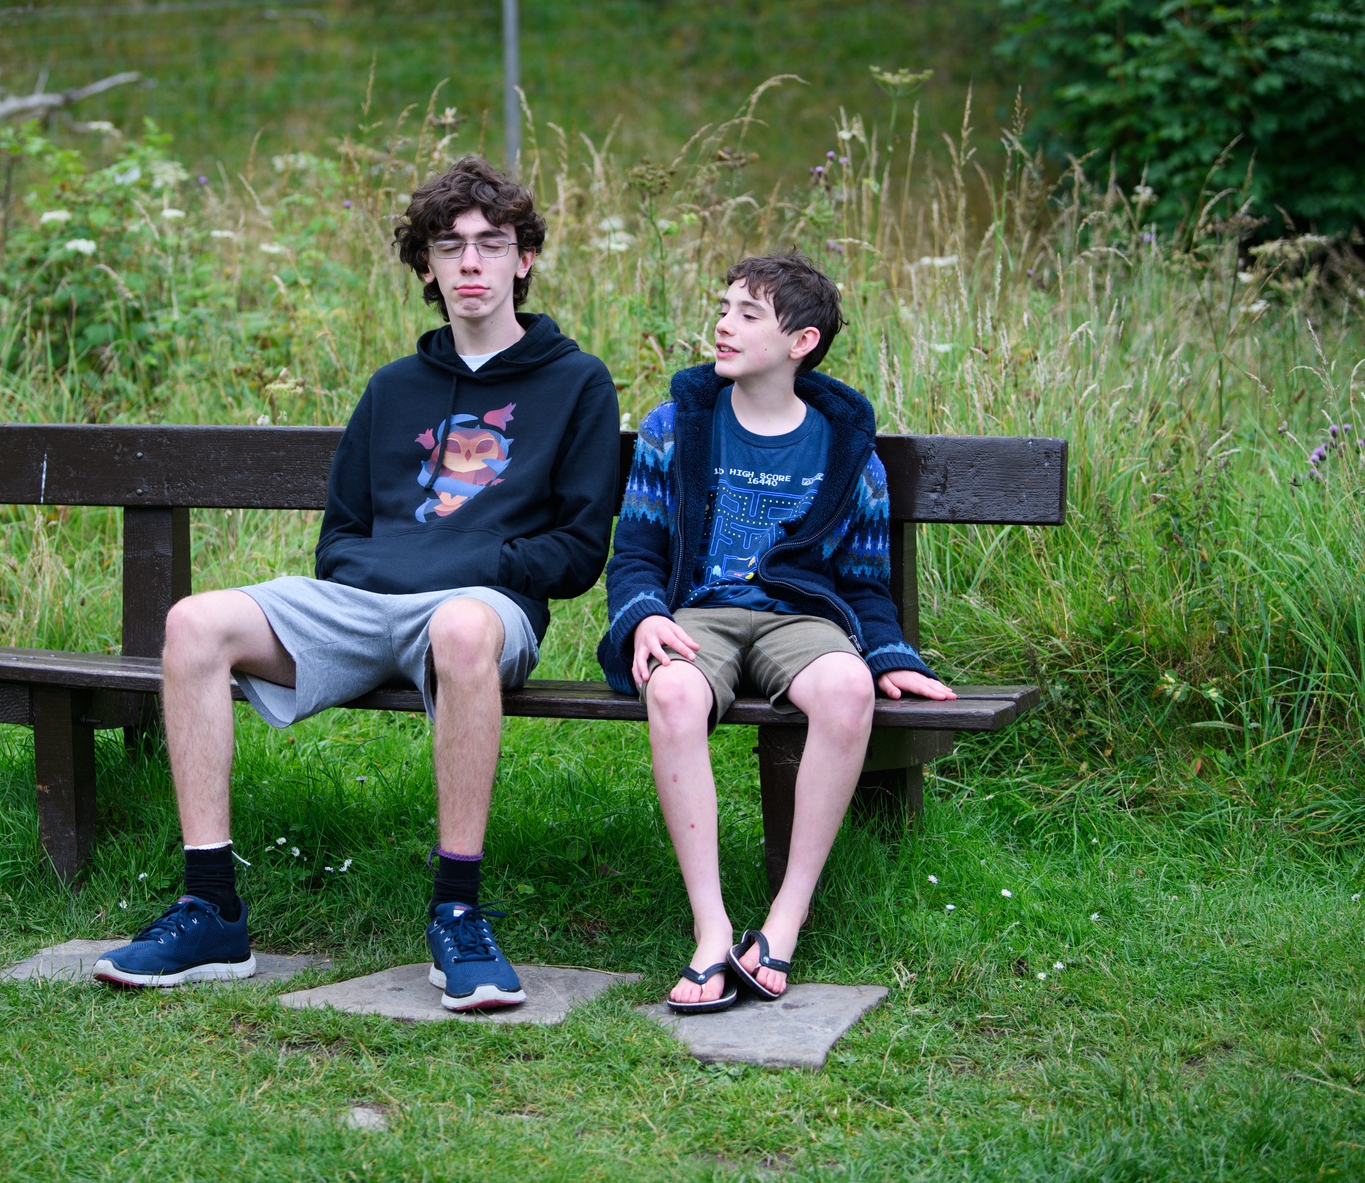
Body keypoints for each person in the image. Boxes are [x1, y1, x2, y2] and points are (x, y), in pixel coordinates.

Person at [95, 157, 624, 1011]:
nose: (471, 262)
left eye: (492, 243)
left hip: (482, 612)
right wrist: (396, 575)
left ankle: (457, 913)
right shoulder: (394, 388)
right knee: (194, 621)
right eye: (449, 246)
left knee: (458, 627)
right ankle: (210, 908)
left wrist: (462, 565)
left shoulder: (577, 382)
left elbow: (576, 551)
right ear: (427, 268)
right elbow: (340, 539)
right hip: (365, 608)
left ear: (524, 258)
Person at [598, 253, 956, 1013]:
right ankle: (711, 929)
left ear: (802, 341)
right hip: (700, 614)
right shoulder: (677, 427)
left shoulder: (846, 452)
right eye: (724, 307)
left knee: (848, 686)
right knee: (672, 692)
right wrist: (644, 614)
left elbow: (864, 581)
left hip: (799, 618)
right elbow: (636, 551)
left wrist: (889, 656)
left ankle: (784, 920)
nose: (723, 325)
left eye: (748, 314)